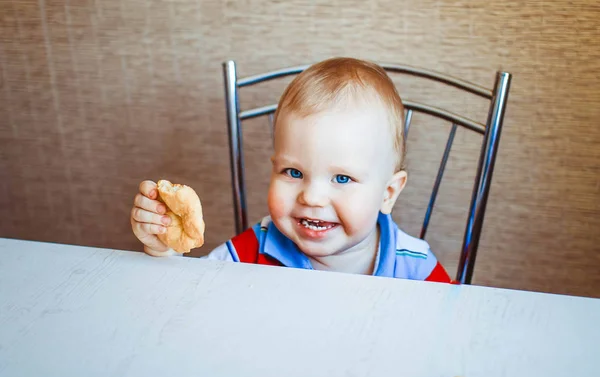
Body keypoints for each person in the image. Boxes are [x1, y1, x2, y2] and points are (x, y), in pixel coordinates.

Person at [130, 57, 452, 283]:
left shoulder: (416, 267)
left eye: (342, 178)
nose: (312, 197)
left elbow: (451, 327)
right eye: (293, 173)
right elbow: (194, 293)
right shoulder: (253, 251)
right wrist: (165, 251)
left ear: (388, 193)